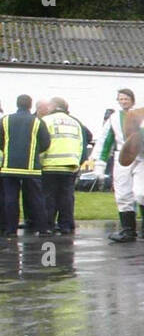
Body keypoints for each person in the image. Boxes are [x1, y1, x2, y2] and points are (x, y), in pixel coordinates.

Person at [95, 96, 144, 242]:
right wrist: (100, 163)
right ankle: (128, 230)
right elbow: (106, 140)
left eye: (126, 98)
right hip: (122, 156)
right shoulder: (113, 118)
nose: (123, 101)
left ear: (132, 100)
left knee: (142, 193)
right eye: (120, 99)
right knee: (123, 195)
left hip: (143, 156)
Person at [0, 94, 52, 235]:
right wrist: (34, 152)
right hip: (31, 168)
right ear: (30, 105)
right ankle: (41, 228)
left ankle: (10, 229)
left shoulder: (5, 120)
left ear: (17, 104)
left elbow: (1, 141)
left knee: (10, 199)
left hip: (8, 167)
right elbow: (46, 142)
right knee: (36, 198)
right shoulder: (37, 122)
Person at [39, 97, 91, 235]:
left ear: (52, 106)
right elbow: (81, 143)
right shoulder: (75, 122)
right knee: (66, 197)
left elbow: (41, 143)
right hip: (70, 165)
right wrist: (77, 162)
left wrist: (39, 161)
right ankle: (66, 226)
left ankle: (48, 226)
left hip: (50, 164)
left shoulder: (46, 121)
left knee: (48, 197)